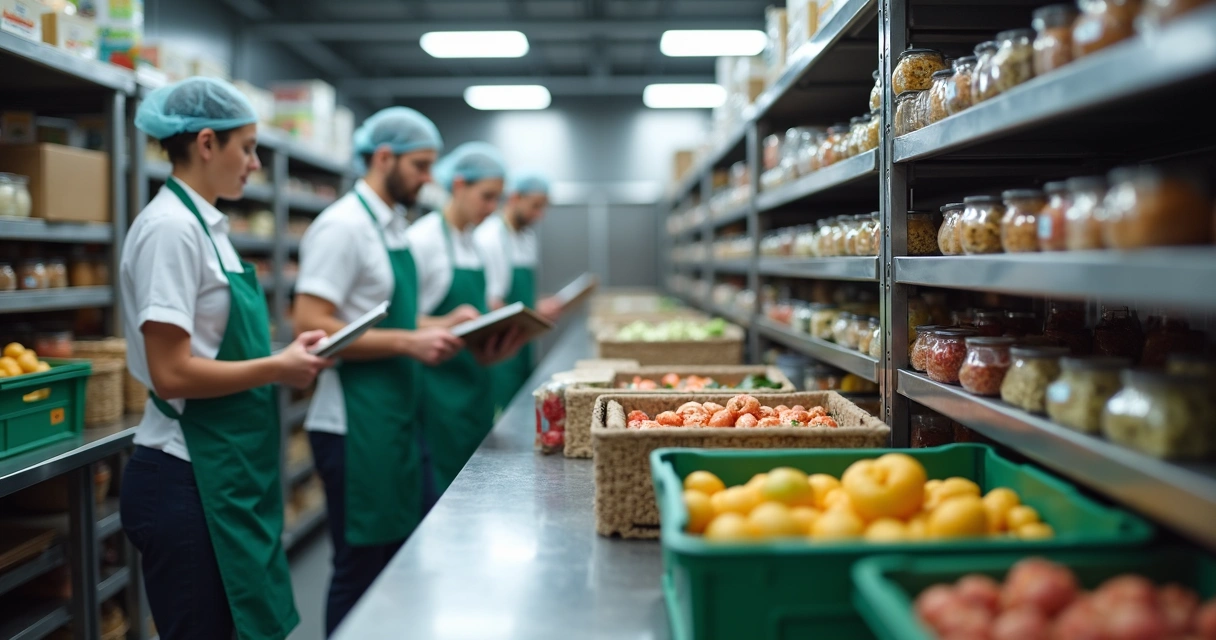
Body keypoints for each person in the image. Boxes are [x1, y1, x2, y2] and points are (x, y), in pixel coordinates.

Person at [118, 77, 331, 640]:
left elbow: (212, 349)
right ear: (207, 143)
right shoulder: (170, 230)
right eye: (248, 148)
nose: (256, 164)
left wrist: (286, 356)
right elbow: (171, 373)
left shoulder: (207, 226)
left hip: (225, 467)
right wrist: (278, 367)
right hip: (185, 473)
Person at [291, 107, 468, 636]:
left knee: (401, 562)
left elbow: (387, 318)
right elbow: (312, 323)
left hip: (395, 419)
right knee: (360, 568)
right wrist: (411, 342)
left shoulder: (391, 226)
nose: (427, 179)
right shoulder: (343, 227)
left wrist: (440, 324)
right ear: (384, 157)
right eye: (420, 166)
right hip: (354, 425)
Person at [407, 142, 526, 507]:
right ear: (459, 185)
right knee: (440, 502)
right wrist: (446, 322)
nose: (492, 208)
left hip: (475, 388)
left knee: (476, 500)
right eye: (486, 197)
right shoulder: (422, 240)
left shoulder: (476, 244)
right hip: (437, 397)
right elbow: (402, 323)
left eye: (497, 199)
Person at [475, 171, 563, 412]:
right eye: (535, 206)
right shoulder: (490, 236)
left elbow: (522, 296)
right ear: (515, 198)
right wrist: (533, 313)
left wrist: (538, 305)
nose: (539, 214)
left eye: (543, 207)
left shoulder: (527, 238)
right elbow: (491, 304)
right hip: (499, 347)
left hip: (522, 343)